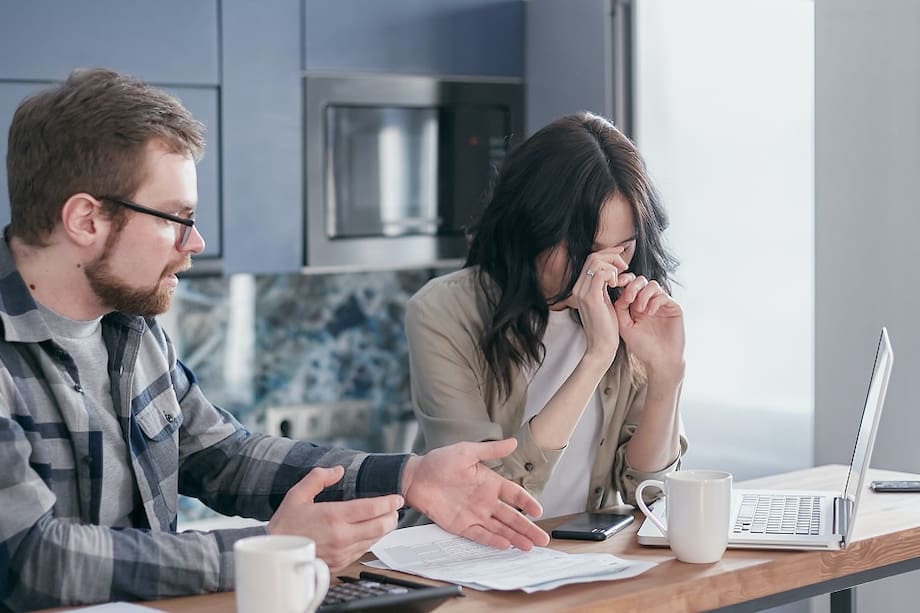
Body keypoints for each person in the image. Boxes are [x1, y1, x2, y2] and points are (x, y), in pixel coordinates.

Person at [0, 68, 548, 612]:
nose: (196, 241)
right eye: (176, 218)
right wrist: (267, 551)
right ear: (85, 220)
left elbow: (224, 456)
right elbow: (30, 559)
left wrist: (409, 475)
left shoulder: (130, 328)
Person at [402, 112, 688, 525]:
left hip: (576, 564)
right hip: (459, 560)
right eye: (583, 249)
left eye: (622, 249)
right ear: (531, 228)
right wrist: (596, 356)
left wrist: (666, 374)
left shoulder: (633, 307)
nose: (604, 269)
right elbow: (481, 499)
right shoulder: (442, 312)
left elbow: (648, 493)